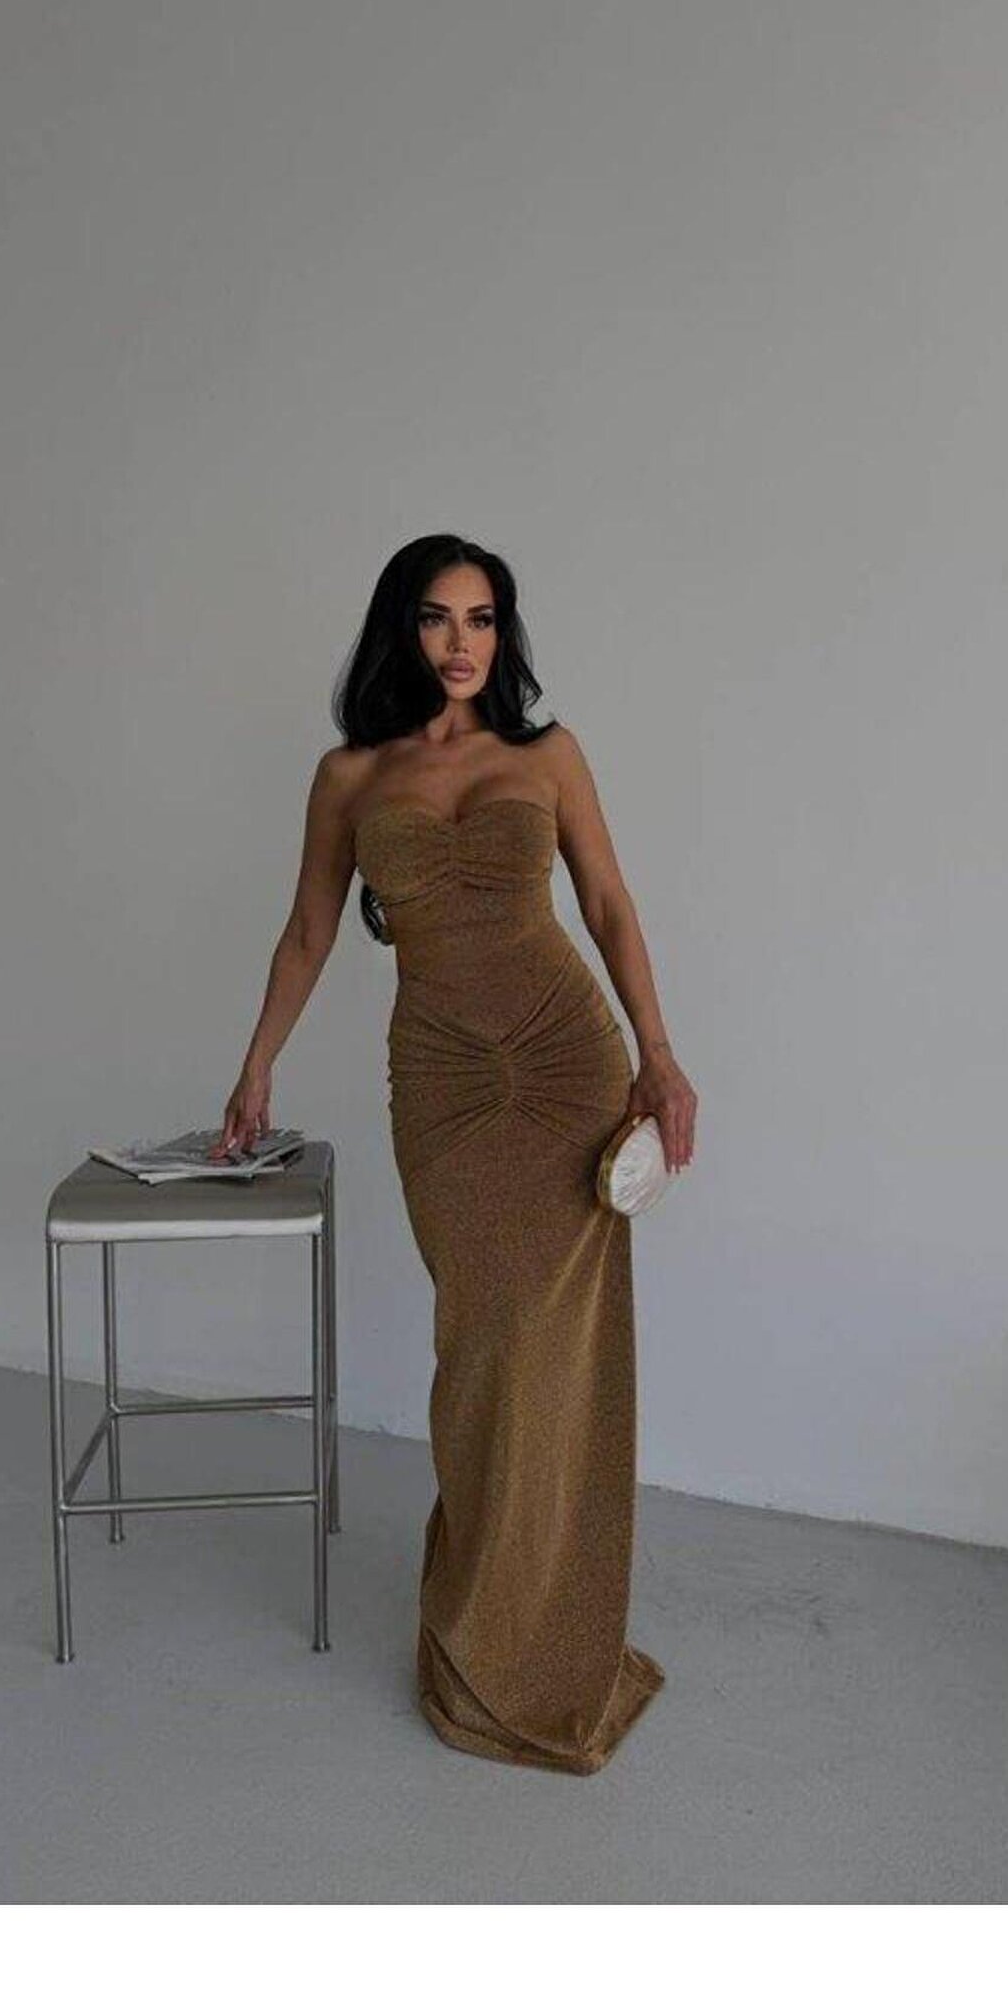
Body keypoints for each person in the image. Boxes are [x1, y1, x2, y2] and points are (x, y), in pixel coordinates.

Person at [212, 532, 697, 1772]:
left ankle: (548, 1640)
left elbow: (609, 905)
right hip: (442, 1085)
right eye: (437, 618)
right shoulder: (349, 776)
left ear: (503, 631)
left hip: (566, 1064)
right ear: (403, 628)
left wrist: (658, 1056)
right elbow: (310, 929)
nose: (462, 643)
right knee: (481, 1349)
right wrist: (258, 1063)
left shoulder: (548, 754)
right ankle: (482, 1630)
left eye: (482, 619)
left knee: (555, 1354)